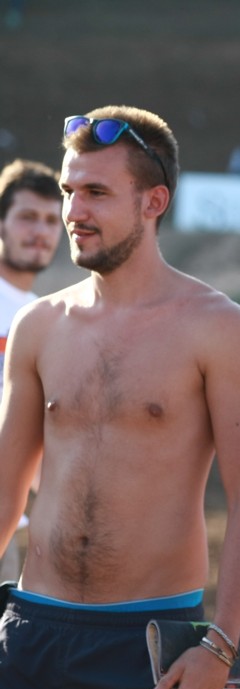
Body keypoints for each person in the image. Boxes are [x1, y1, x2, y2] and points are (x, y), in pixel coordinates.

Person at [0, 106, 240, 689]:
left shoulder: (216, 327)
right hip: (32, 644)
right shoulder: (39, 325)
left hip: (150, 656)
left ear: (154, 202)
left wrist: (221, 645)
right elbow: (5, 490)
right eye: (69, 191)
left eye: (96, 193)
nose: (73, 212)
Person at [0, 158, 62, 583]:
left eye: (51, 220)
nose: (40, 231)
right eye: (27, 217)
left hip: (8, 528)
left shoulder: (43, 317)